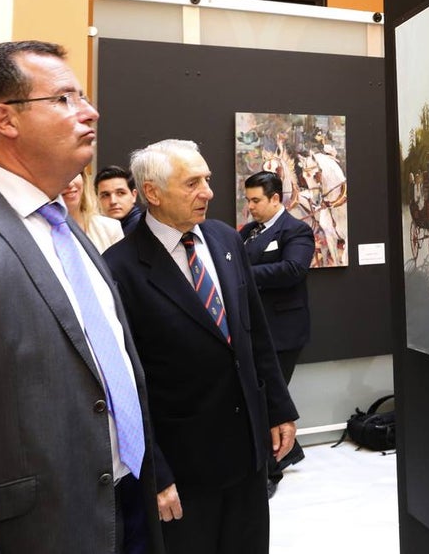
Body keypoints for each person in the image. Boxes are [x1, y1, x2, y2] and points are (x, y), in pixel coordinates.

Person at [0, 41, 162, 553]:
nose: (89, 111)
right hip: (33, 530)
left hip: (126, 501)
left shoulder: (72, 230)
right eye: (65, 98)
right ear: (5, 119)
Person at [104, 139, 298, 554]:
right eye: (193, 183)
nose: (208, 193)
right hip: (184, 469)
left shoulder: (225, 240)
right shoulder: (119, 267)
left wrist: (278, 408)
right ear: (153, 193)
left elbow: (254, 334)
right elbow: (126, 385)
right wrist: (154, 469)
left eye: (206, 180)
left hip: (247, 454)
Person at [239, 170, 314, 495]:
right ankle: (289, 451)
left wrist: (241, 273)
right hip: (254, 331)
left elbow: (293, 269)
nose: (250, 206)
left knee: (269, 400)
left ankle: (271, 475)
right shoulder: (247, 232)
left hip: (284, 332)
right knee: (266, 397)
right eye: (248, 199)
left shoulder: (297, 231)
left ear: (274, 199)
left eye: (256, 200)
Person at [64, 167, 125, 253]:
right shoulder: (40, 231)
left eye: (73, 173)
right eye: (60, 176)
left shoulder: (110, 228)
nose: (70, 184)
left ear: (83, 178)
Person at [95, 164, 145, 233]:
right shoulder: (102, 229)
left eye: (120, 193)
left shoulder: (143, 229)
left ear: (134, 195)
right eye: (106, 195)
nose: (113, 201)